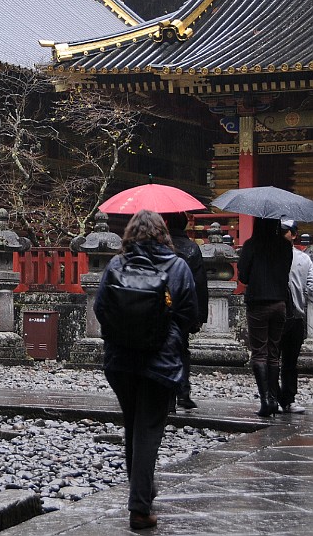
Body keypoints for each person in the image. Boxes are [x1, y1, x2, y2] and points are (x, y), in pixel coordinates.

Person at [95, 210, 198, 531]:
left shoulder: (116, 264)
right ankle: (140, 507)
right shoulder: (177, 266)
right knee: (148, 433)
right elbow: (190, 317)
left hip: (121, 363)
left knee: (134, 427)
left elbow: (100, 309)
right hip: (160, 362)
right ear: (162, 233)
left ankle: (143, 488)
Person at [237, 216, 293, 418]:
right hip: (279, 302)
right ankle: (274, 398)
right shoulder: (286, 246)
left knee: (259, 352)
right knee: (273, 351)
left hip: (258, 302)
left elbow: (243, 276)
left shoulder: (251, 245)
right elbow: (286, 270)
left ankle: (266, 400)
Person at [163, 212, 208, 410]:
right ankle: (183, 392)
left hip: (162, 304)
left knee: (164, 348)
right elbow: (199, 284)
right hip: (185, 305)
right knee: (182, 349)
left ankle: (168, 396)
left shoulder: (161, 247)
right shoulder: (192, 249)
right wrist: (200, 315)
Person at [278, 219, 313, 414]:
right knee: (290, 361)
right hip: (297, 314)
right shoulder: (304, 259)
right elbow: (311, 287)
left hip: (279, 313)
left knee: (275, 358)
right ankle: (288, 398)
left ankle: (274, 396)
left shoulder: (270, 257)